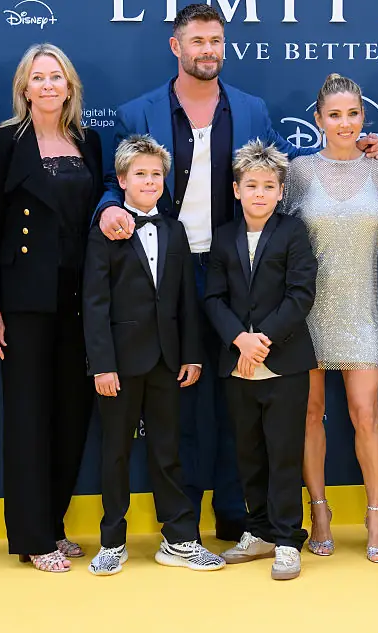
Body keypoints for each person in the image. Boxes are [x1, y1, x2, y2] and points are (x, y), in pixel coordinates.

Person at [94, 3, 378, 541]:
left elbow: (284, 170)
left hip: (238, 276)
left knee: (240, 398)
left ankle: (238, 515)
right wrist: (107, 207)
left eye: (216, 41)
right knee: (176, 400)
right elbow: (120, 181)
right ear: (176, 46)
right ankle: (179, 525)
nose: (209, 50)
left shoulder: (250, 110)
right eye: (197, 40)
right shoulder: (140, 112)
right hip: (166, 277)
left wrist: (350, 149)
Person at [0, 44, 102, 573]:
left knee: (73, 414)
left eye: (56, 77)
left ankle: (53, 522)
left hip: (81, 297)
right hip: (25, 298)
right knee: (29, 416)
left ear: (69, 86)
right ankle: (32, 536)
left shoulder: (89, 141)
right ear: (24, 88)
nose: (48, 85)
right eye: (38, 77)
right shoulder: (4, 141)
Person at [83, 135, 225, 576]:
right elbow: (95, 303)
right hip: (120, 366)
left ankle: (180, 537)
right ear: (121, 180)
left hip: (168, 360)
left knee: (168, 450)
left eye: (156, 174)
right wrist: (102, 365)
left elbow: (186, 299)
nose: (149, 181)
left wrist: (192, 355)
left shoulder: (175, 230)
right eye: (140, 174)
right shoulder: (105, 231)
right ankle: (111, 541)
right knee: (116, 452)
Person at [281, 73, 378, 563]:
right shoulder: (300, 170)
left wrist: (352, 244)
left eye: (353, 114)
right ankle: (320, 512)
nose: (344, 122)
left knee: (366, 415)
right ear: (319, 120)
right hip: (305, 309)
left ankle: (377, 515)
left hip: (360, 308)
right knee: (309, 414)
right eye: (335, 114)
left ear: (363, 118)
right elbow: (281, 236)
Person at [204, 140, 318, 581]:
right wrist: (238, 340)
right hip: (238, 364)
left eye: (268, 186)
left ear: (280, 191)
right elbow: (212, 297)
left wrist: (261, 340)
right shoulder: (223, 237)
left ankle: (288, 539)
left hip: (283, 362)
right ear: (236, 190)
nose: (259, 194)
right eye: (250, 185)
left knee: (283, 452)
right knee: (248, 452)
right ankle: (259, 531)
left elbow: (300, 294)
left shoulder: (293, 232)